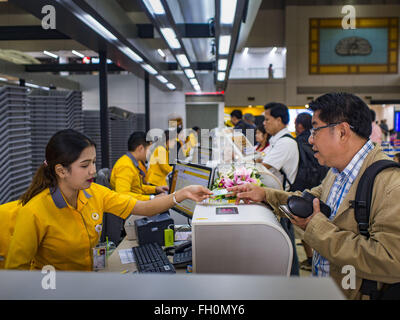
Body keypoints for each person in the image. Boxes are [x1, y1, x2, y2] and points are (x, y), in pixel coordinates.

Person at [228, 92, 400, 299]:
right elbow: (308, 200)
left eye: (315, 130)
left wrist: (316, 227)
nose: (310, 139)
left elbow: (391, 261)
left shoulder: (390, 185)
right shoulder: (338, 172)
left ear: (342, 132)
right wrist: (265, 195)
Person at [5, 129, 211, 271]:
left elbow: (144, 208)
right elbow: (16, 275)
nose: (93, 171)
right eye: (85, 165)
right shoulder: (34, 211)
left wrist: (181, 195)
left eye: (93, 162)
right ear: (61, 170)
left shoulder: (95, 192)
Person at [262, 102, 300, 276]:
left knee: (286, 248)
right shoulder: (275, 141)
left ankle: (291, 285)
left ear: (278, 120)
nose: (264, 123)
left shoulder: (285, 143)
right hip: (274, 198)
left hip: (280, 200)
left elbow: (264, 167)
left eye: (267, 119)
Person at [110, 131, 168, 201]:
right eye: (149, 149)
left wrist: (156, 189)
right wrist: (152, 198)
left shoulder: (131, 163)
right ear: (140, 148)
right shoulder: (125, 166)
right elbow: (123, 195)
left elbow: (137, 188)